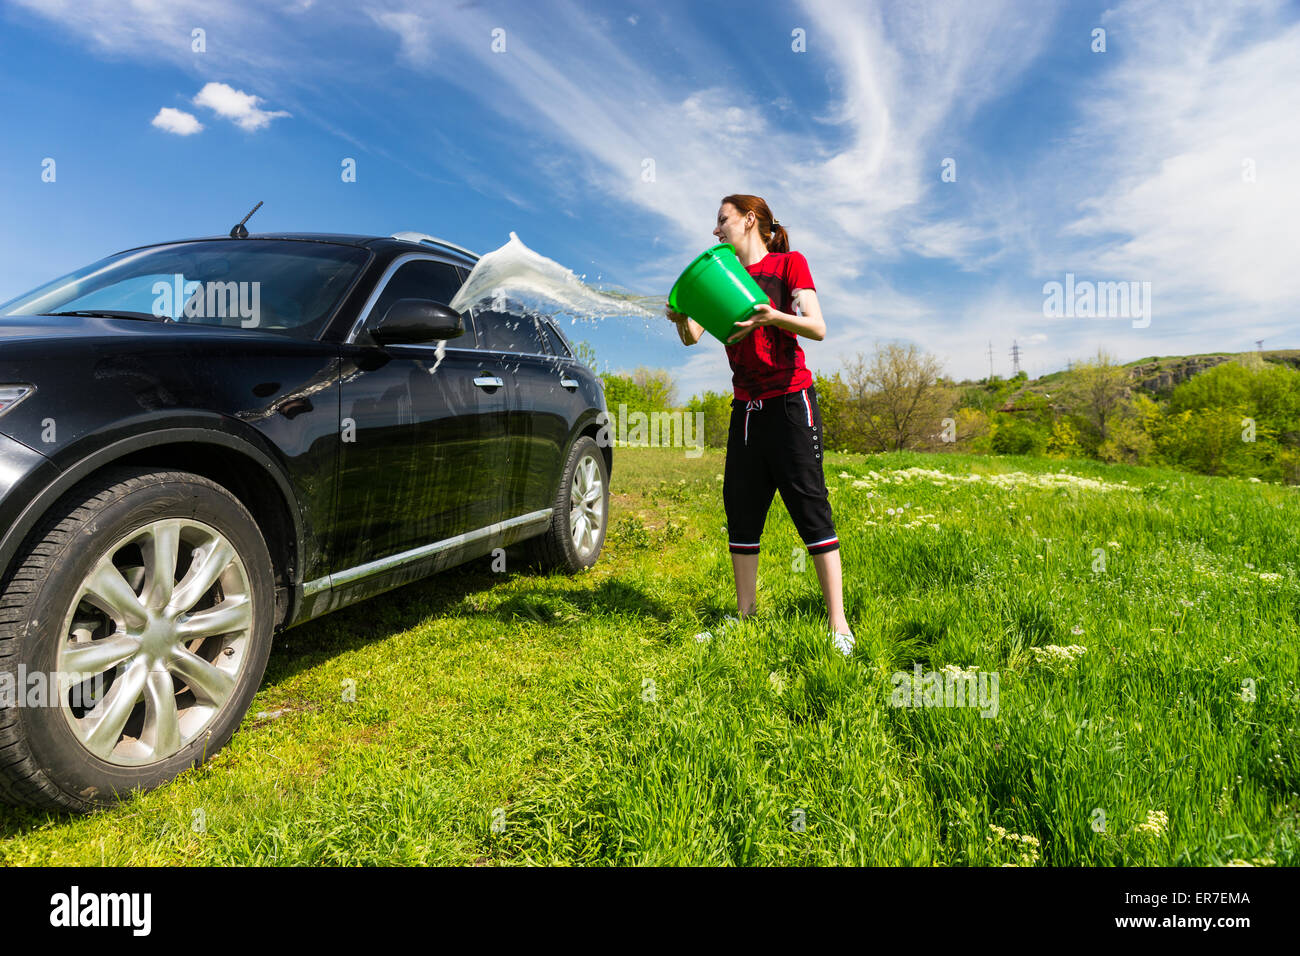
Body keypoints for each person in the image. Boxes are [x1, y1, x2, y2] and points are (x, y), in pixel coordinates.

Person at [665, 194, 854, 656]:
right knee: (741, 510)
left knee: (811, 508)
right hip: (746, 409)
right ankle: (744, 616)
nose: (716, 230)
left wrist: (773, 316)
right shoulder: (722, 277)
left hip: (791, 402)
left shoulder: (790, 264)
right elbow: (691, 337)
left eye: (722, 220)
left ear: (750, 220)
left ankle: (839, 626)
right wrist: (680, 313)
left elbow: (817, 326)